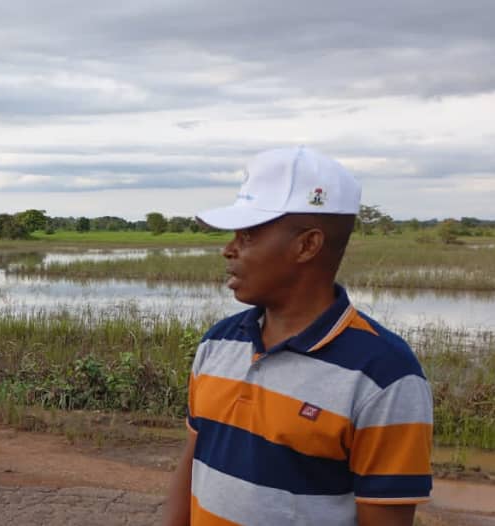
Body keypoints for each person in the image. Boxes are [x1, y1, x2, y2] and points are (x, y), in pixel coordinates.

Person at [164, 147, 433, 526]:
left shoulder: (384, 375)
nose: (229, 250)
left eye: (248, 235)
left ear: (307, 245)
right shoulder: (218, 343)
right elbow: (192, 462)